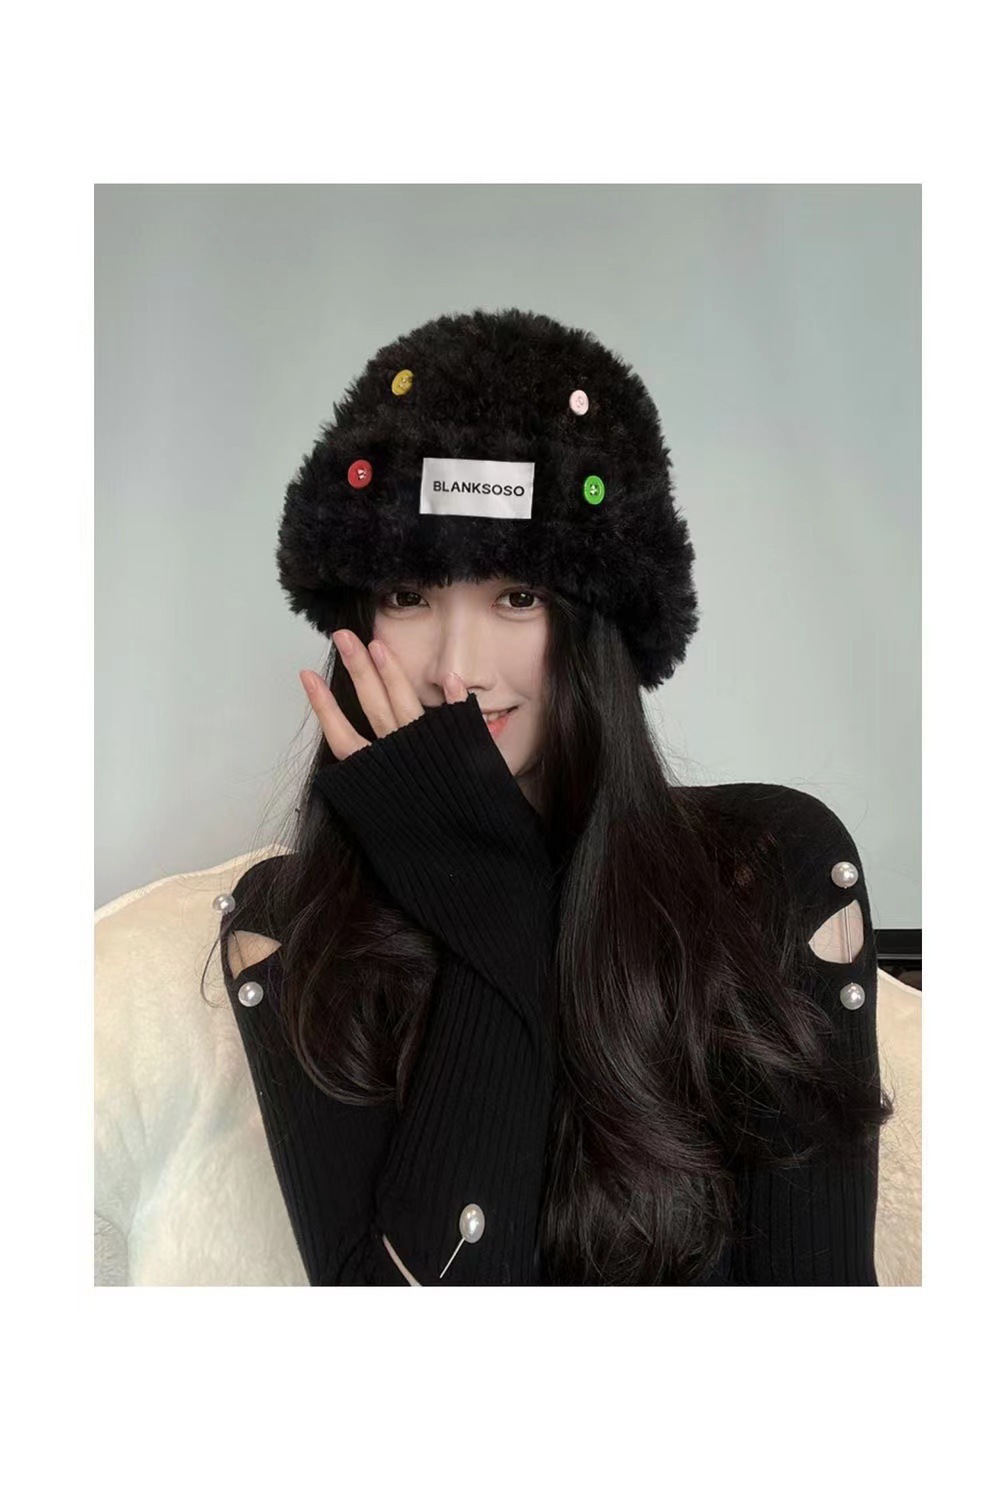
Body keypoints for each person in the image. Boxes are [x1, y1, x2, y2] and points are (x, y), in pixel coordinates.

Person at [209, 306, 894, 1286]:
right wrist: (489, 893)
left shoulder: (772, 873)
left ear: (593, 625)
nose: (455, 669)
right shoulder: (295, 932)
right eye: (409, 595)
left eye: (516, 597)